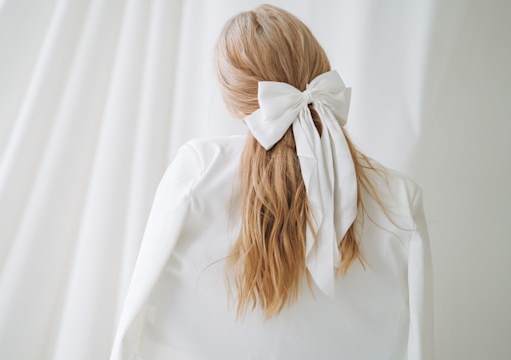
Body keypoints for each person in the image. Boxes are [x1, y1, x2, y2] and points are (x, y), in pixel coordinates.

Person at [111, 4, 433, 360]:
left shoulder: (199, 172)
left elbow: (134, 319)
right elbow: (419, 345)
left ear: (233, 100)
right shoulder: (399, 200)